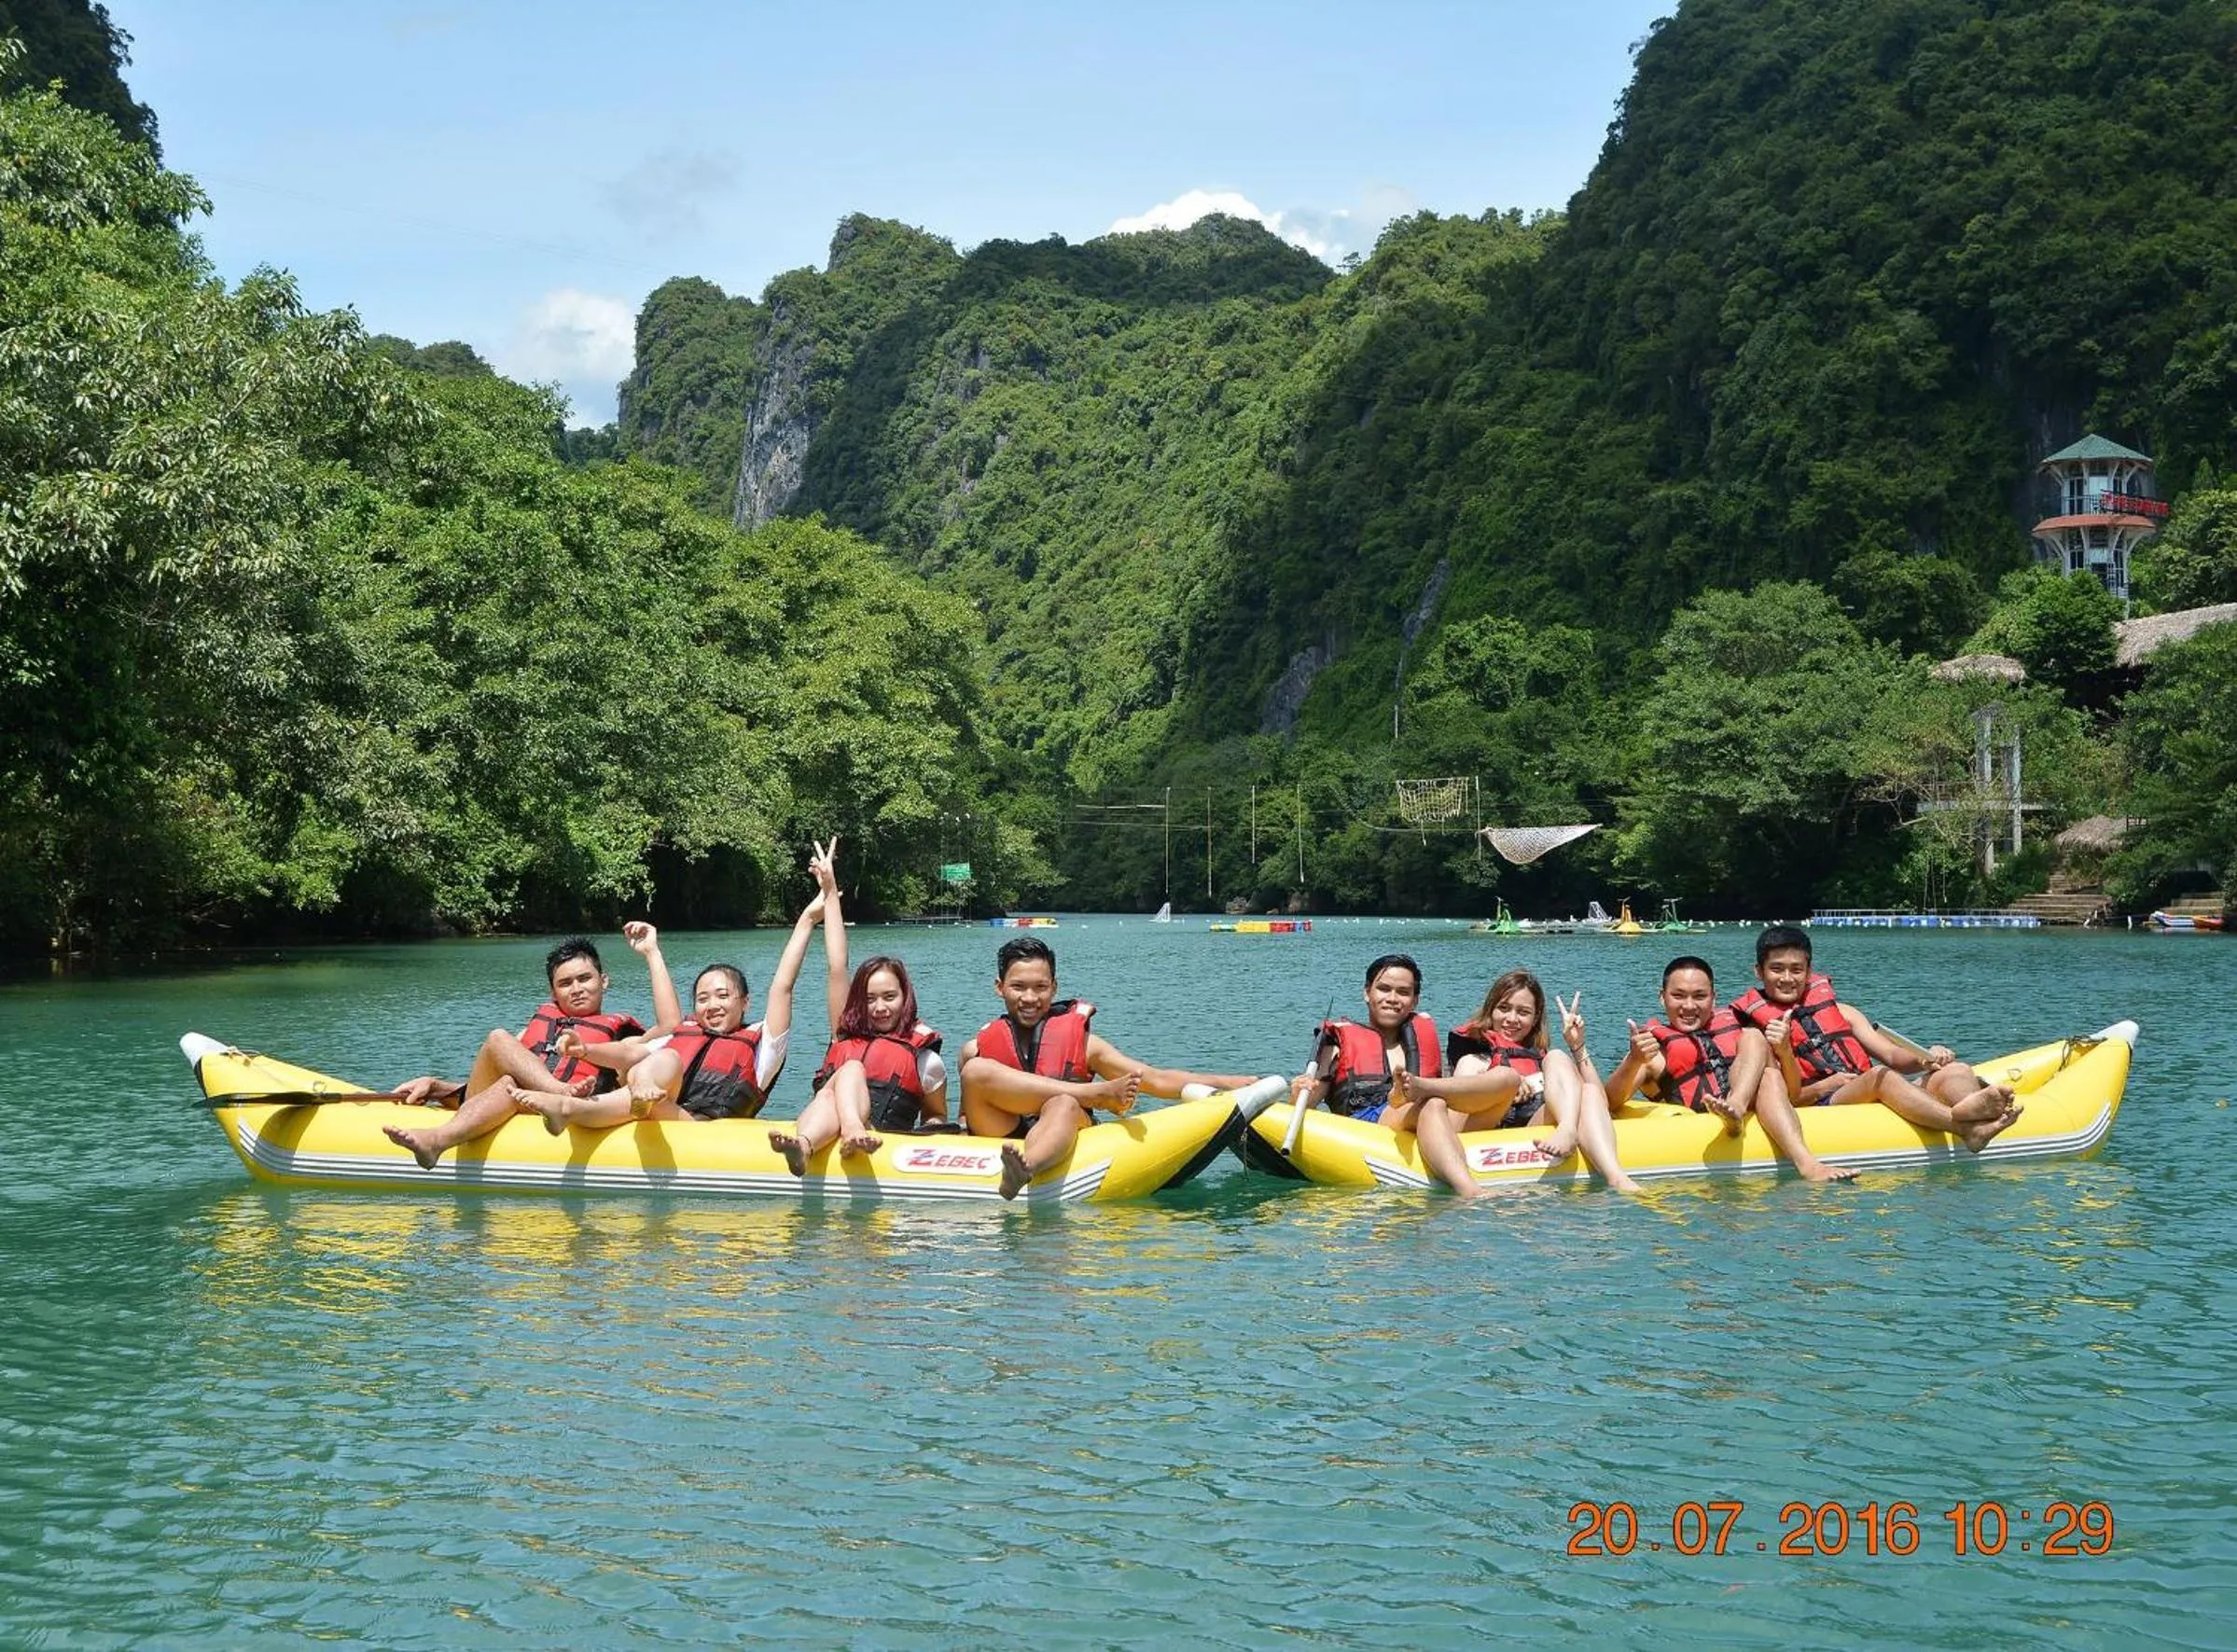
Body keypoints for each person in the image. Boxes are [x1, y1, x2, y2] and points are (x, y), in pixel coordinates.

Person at [512, 881, 827, 1137]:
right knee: (657, 1057)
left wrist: (808, 920)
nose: (712, 1006)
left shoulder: (764, 1044)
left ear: (745, 1002)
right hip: (660, 1106)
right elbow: (629, 1054)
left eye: (722, 996)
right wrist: (584, 1051)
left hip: (701, 1129)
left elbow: (783, 985)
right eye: (703, 999)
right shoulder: (686, 1032)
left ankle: (570, 1109)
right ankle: (578, 1107)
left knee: (662, 1062)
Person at [958, 937, 1262, 1200]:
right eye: (1018, 987)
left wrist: (1228, 1082)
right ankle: (1093, 1095)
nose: (1029, 998)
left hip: (1059, 1127)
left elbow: (1154, 1079)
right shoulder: (978, 1047)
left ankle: (1026, 1170)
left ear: (1054, 988)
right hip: (1002, 1131)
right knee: (975, 1069)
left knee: (1063, 1102)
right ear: (1000, 988)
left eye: (1040, 987)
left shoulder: (1086, 1045)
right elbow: (967, 1115)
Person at [381, 924, 681, 1168]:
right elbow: (487, 1086)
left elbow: (670, 1027)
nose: (576, 989)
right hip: (530, 1099)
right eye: (565, 983)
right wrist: (435, 1086)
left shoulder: (619, 1040)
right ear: (553, 993)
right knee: (501, 1045)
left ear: (603, 981)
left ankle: (438, 1140)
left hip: (564, 1114)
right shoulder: (531, 1031)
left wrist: (651, 953)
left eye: (584, 979)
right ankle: (558, 1094)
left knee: (509, 1077)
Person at [1729, 925, 2021, 1153]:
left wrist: (1925, 1057)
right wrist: (1825, 1085)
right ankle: (1965, 1128)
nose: (1787, 978)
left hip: (1866, 1087)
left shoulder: (1843, 1012)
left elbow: (1893, 1057)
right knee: (1881, 1076)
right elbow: (1783, 1097)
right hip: (1825, 1103)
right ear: (1759, 972)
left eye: (1797, 969)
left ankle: (1976, 1112)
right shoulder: (1758, 1032)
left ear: (1809, 971)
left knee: (1957, 1070)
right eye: (1777, 969)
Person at [771, 841, 948, 1172]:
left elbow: (936, 1114)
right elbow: (838, 965)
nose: (879, 1008)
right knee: (846, 1072)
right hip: (825, 1125)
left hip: (881, 1142)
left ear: (905, 997)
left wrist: (936, 1136)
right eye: (869, 999)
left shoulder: (928, 1061)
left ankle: (833, 1139)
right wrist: (830, 889)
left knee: (847, 1070)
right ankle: (807, 1145)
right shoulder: (844, 1035)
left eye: (889, 997)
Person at [1605, 955, 1856, 1184]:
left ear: (1714, 998)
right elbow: (1611, 1102)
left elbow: (1791, 1093)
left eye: (1700, 996)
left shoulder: (1738, 1029)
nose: (1689, 1006)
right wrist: (1634, 1060)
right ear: (1663, 997)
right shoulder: (1652, 1051)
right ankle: (1743, 1117)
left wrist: (1784, 1051)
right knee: (1760, 1055)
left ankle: (1804, 1162)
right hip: (1701, 1128)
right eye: (1678, 996)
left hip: (1750, 1107)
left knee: (1755, 1041)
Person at [1424, 969, 1642, 1196]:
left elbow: (1597, 1101)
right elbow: (1459, 1109)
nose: (1511, 1019)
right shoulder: (1474, 1059)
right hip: (1485, 1128)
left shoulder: (1543, 1059)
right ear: (1491, 1010)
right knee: (1485, 1069)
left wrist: (1578, 1047)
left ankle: (1612, 1173)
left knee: (1559, 1057)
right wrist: (1505, 1084)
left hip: (1531, 1127)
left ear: (1535, 1017)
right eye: (1504, 1008)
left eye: (1523, 1012)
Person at [1288, 953, 1443, 1126]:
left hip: (1421, 1127)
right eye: (1384, 989)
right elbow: (1307, 1104)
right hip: (1364, 1136)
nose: (1392, 999)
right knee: (1433, 1106)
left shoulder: (1424, 1044)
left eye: (1403, 992)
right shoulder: (1336, 1048)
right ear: (1367, 993)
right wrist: (1298, 1094)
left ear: (1415, 1001)